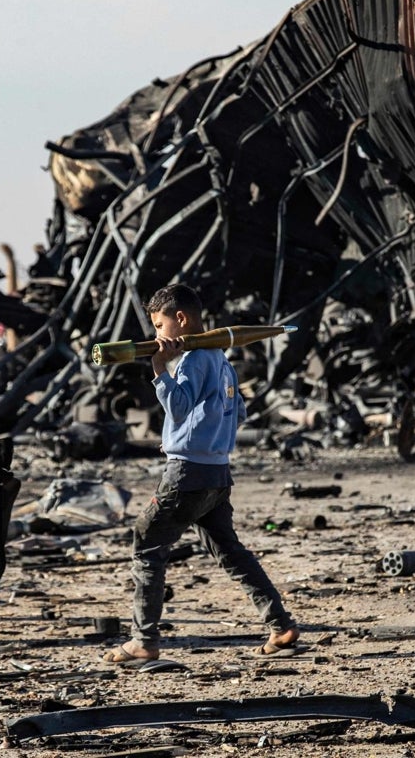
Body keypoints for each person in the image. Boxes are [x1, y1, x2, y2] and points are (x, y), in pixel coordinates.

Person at [103, 283, 299, 663]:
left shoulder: (192, 359)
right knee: (230, 551)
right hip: (217, 475)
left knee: (146, 544)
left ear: (180, 319)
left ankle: (143, 640)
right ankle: (280, 625)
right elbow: (235, 413)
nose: (158, 336)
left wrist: (159, 367)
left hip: (187, 476)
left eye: (160, 326)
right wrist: (189, 437)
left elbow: (178, 407)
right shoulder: (222, 359)